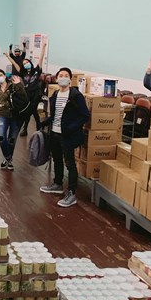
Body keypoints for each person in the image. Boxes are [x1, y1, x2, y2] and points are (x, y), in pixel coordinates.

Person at [39, 67, 90, 208]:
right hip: (54, 133)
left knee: (70, 163)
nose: (63, 77)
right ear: (56, 78)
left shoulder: (75, 95)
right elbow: (55, 115)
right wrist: (45, 122)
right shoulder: (55, 94)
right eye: (60, 75)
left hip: (68, 135)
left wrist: (71, 128)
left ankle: (72, 193)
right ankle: (58, 184)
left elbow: (85, 115)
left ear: (70, 79)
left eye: (66, 75)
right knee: (57, 159)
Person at [6, 40, 47, 136]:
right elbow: (15, 64)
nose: (25, 64)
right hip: (27, 94)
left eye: (27, 62)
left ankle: (35, 128)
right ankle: (34, 127)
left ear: (30, 63)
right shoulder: (22, 73)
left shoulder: (37, 70)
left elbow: (41, 58)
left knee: (32, 110)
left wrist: (44, 47)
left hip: (36, 94)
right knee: (30, 110)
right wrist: (8, 56)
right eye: (24, 64)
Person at [0, 71, 26, 171]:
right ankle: (8, 158)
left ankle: (8, 161)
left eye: (0, 75)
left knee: (11, 140)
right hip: (3, 115)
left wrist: (19, 84)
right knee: (1, 137)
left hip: (16, 116)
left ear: (5, 76)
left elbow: (23, 96)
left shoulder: (13, 86)